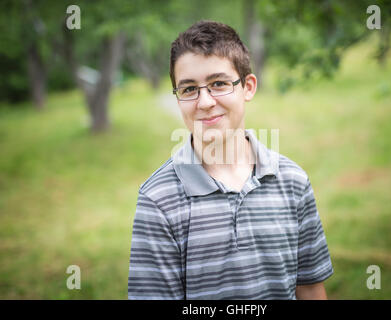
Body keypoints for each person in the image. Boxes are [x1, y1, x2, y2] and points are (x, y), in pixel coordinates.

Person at [128, 20, 333, 300]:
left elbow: (309, 287)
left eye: (219, 84)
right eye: (189, 89)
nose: (205, 102)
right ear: (177, 98)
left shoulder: (293, 181)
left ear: (247, 87)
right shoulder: (158, 199)